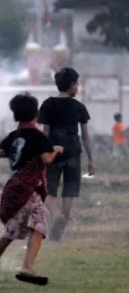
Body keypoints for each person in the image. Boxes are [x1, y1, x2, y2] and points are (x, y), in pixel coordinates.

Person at [0, 94, 64, 287]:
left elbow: (1, 152)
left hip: (19, 189)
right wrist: (56, 150)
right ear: (36, 114)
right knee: (16, 230)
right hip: (26, 189)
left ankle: (27, 267)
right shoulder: (37, 137)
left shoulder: (15, 135)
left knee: (38, 225)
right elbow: (47, 160)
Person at [38, 67, 94, 242]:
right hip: (72, 154)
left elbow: (44, 132)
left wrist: (41, 154)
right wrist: (91, 159)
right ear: (71, 85)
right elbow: (85, 135)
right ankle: (59, 227)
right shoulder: (79, 107)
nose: (78, 87)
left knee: (51, 191)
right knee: (69, 192)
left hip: (53, 154)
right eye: (76, 84)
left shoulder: (48, 104)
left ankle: (49, 226)